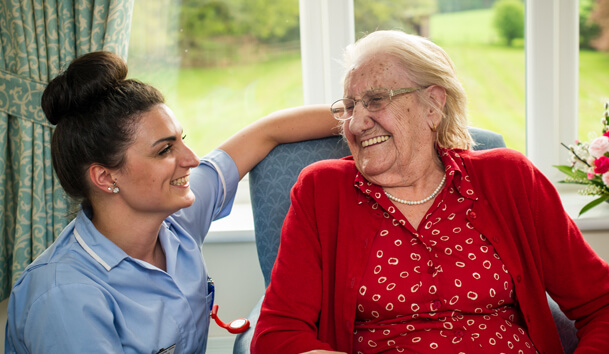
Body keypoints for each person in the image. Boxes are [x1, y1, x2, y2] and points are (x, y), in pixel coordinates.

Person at [252, 30, 609, 353]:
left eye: (376, 100)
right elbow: (277, 334)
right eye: (349, 107)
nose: (356, 123)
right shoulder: (322, 190)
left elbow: (601, 303)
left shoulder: (510, 178)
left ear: (433, 106)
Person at [4, 51, 339, 353]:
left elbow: (266, 132)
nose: (192, 159)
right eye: (165, 150)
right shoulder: (66, 298)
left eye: (183, 140)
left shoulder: (177, 218)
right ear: (105, 177)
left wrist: (366, 114)